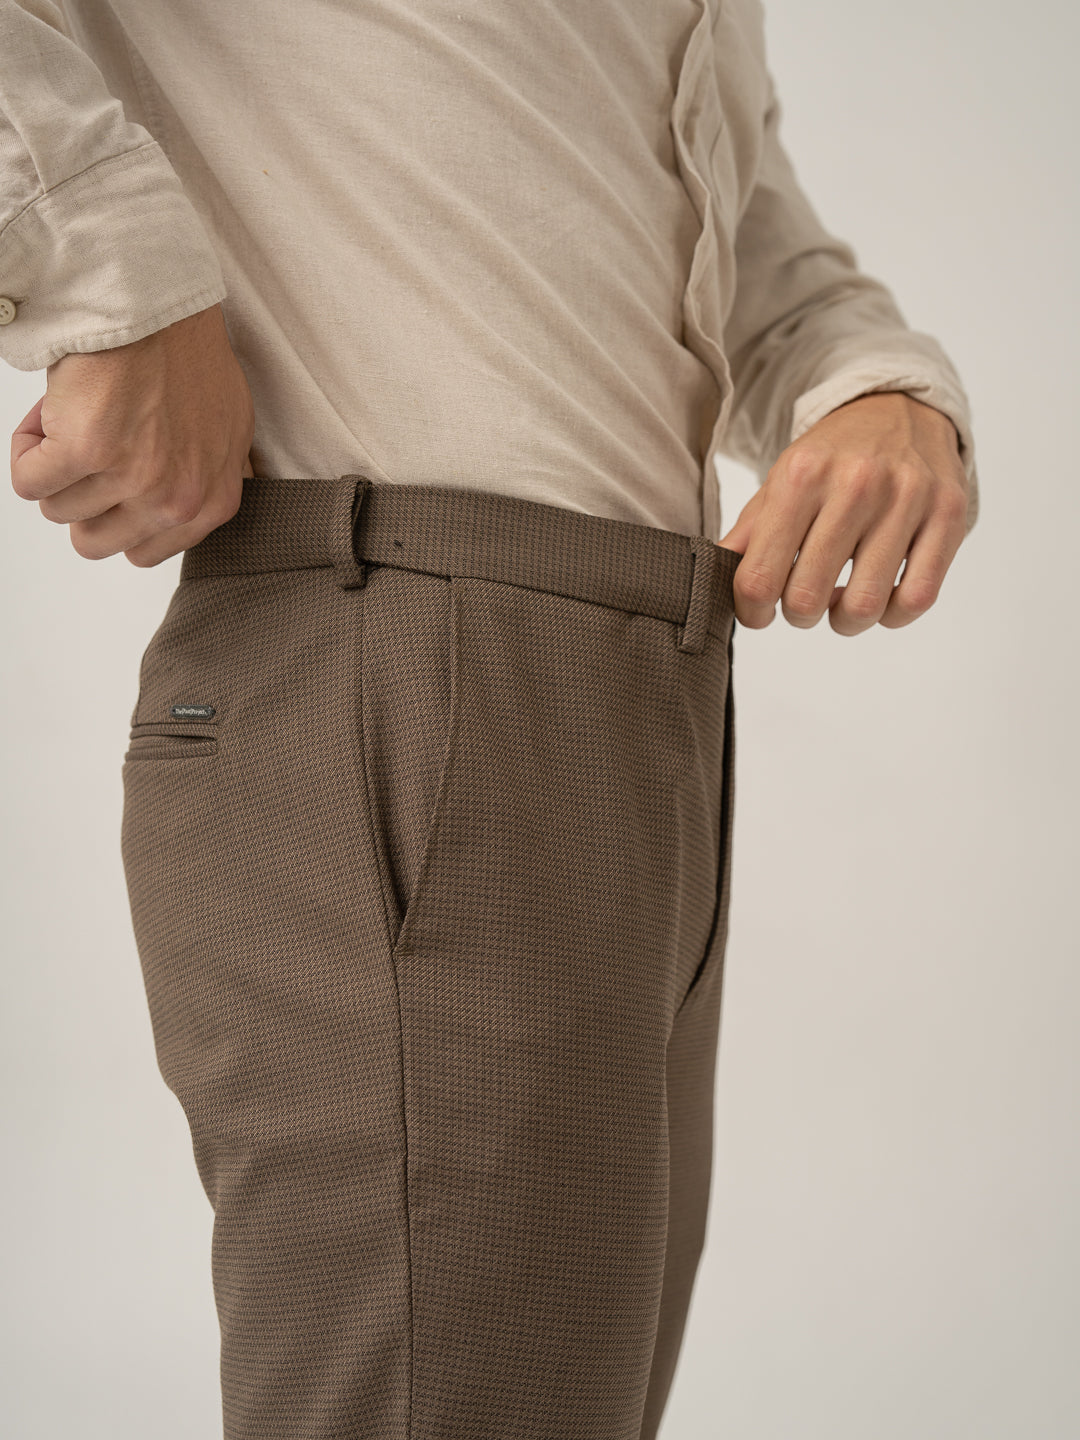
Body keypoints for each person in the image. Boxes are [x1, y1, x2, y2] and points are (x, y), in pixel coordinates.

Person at [1, 1, 979, 1436]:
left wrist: (877, 389)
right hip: (403, 666)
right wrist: (108, 266)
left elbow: (733, 225)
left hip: (640, 700)